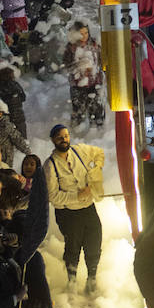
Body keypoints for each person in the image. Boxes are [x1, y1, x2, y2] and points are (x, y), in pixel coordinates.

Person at [43, 124, 104, 293]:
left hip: (88, 208)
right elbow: (52, 196)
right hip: (68, 213)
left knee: (94, 241)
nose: (64, 139)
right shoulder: (50, 166)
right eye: (60, 137)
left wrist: (95, 172)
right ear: (53, 140)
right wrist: (76, 196)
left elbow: (99, 153)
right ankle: (72, 282)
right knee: (73, 247)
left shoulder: (79, 151)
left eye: (66, 136)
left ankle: (92, 278)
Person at [62, 20, 105, 129]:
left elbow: (101, 61)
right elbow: (66, 66)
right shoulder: (71, 47)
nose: (84, 36)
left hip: (95, 82)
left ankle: (98, 130)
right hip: (77, 84)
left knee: (96, 109)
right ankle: (77, 132)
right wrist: (79, 66)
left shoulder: (95, 44)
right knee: (78, 110)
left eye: (86, 33)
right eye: (81, 33)